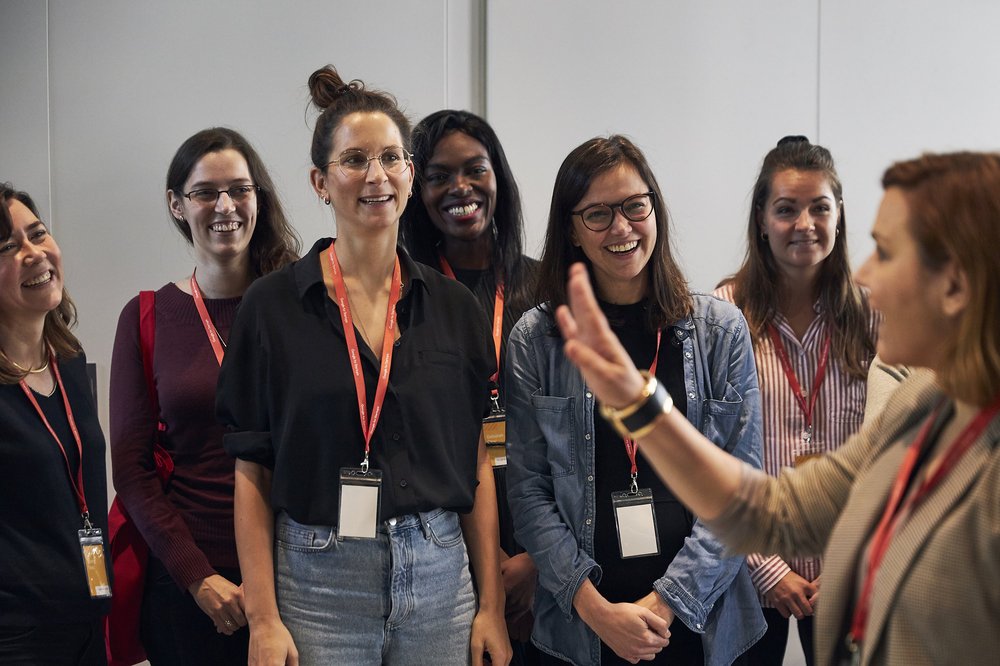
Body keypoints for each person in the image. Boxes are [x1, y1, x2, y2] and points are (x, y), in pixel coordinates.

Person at [555, 151, 1000, 666]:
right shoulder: (923, 409)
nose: (865, 272)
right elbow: (768, 511)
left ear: (954, 284)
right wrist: (637, 403)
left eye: (887, 251)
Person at [216, 66, 512, 666]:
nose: (375, 176)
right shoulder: (271, 308)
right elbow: (252, 472)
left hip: (438, 571)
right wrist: (264, 620)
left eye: (390, 158)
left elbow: (476, 458)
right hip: (319, 577)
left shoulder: (454, 306)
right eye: (354, 159)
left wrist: (491, 608)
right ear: (320, 182)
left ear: (408, 173)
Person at [506, 135, 765, 666]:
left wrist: (665, 606)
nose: (622, 228)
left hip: (704, 624)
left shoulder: (720, 329)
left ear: (655, 208)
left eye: (634, 206)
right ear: (572, 230)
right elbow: (529, 493)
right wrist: (596, 610)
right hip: (580, 630)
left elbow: (741, 488)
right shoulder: (536, 339)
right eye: (598, 214)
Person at [109, 128, 300, 664]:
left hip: (297, 576)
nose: (225, 205)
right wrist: (197, 577)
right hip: (191, 588)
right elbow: (132, 470)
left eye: (240, 189)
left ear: (258, 198)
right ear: (177, 204)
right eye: (205, 192)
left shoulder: (298, 310)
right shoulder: (146, 316)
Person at [713, 136, 877, 665]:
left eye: (820, 207)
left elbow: (895, 452)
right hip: (747, 569)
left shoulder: (876, 317)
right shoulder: (724, 314)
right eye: (786, 209)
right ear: (761, 218)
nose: (804, 223)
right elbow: (710, 454)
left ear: (840, 215)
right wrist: (767, 567)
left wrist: (851, 559)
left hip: (850, 574)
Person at [400, 109, 540, 660]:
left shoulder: (543, 286)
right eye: (438, 176)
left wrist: (536, 556)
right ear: (417, 189)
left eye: (475, 170)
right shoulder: (405, 296)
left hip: (544, 547)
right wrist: (472, 561)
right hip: (441, 557)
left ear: (498, 178)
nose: (460, 188)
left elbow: (578, 437)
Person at [0, 183, 110, 665]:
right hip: (18, 637)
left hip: (87, 619)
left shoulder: (67, 360)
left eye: (37, 234)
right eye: (6, 248)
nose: (32, 253)